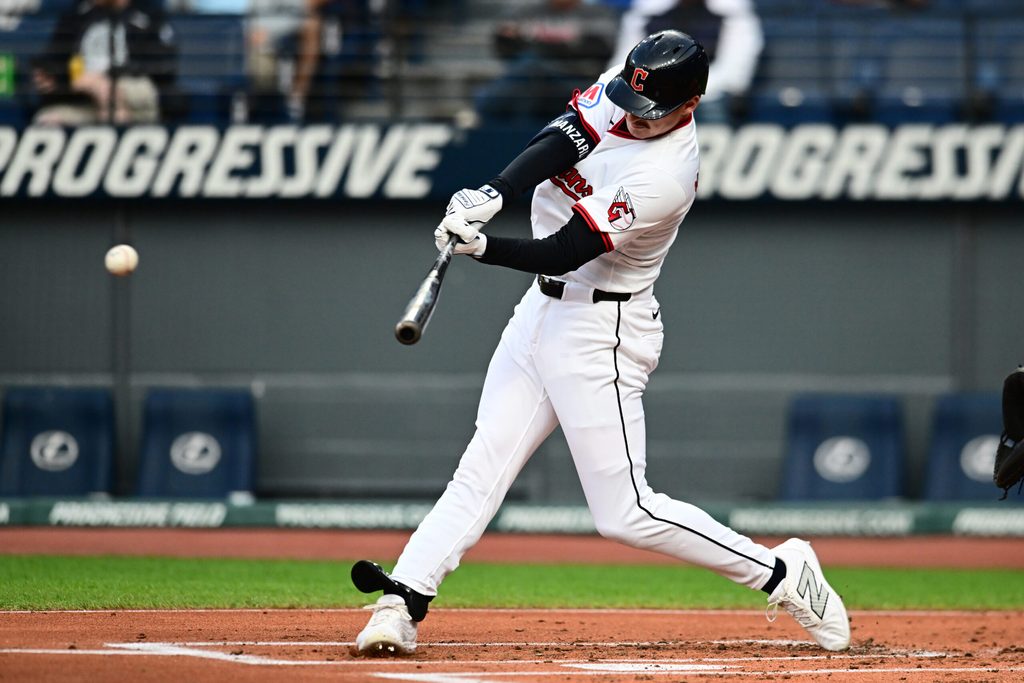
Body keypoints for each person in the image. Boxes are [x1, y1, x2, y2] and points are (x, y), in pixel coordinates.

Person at [351, 30, 851, 656]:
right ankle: (402, 601)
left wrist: (484, 247)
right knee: (480, 468)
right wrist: (494, 193)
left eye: (651, 115)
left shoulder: (666, 175)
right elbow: (565, 136)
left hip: (603, 331)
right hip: (539, 313)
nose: (633, 120)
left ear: (689, 106)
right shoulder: (635, 81)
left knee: (627, 513)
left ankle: (781, 572)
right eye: (631, 103)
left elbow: (566, 251)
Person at [607, 0, 763, 124]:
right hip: (653, 90)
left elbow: (737, 60)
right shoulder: (650, 10)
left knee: (712, 106)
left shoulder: (729, 10)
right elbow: (626, 56)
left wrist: (690, 89)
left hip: (708, 90)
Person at [31, 0, 179, 125]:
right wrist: (70, 80)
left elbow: (164, 67)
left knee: (109, 93)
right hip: (84, 96)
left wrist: (107, 78)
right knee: (47, 121)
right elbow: (52, 63)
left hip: (133, 87)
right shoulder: (76, 16)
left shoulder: (148, 14)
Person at [473, 0, 618, 124]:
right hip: (533, 80)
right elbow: (504, 47)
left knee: (530, 66)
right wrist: (558, 46)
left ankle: (479, 108)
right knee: (529, 70)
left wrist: (533, 42)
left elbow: (600, 50)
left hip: (576, 79)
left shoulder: (597, 14)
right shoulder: (528, 12)